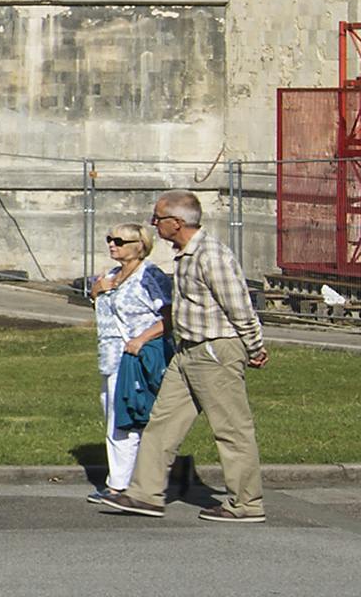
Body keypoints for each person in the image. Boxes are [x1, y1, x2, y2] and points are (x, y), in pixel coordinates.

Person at [98, 192, 264, 521]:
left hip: (215, 349)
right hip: (186, 351)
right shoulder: (185, 254)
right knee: (161, 423)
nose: (153, 224)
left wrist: (254, 347)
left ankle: (246, 504)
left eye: (157, 218)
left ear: (177, 222)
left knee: (231, 429)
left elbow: (240, 306)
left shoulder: (210, 255)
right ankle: (145, 494)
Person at [86, 222, 171, 501]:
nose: (112, 244)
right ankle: (130, 479)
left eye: (120, 241)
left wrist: (141, 339)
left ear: (139, 245)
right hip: (110, 358)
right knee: (115, 415)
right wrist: (97, 291)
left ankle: (119, 485)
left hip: (134, 358)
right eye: (109, 239)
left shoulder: (150, 275)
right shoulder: (111, 275)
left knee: (124, 419)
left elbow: (169, 317)